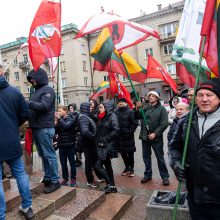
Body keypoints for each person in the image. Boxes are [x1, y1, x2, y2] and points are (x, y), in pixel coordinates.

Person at [170, 79, 220, 219]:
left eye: (209, 95)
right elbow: (174, 147)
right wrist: (176, 164)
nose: (204, 99)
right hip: (195, 196)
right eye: (200, 95)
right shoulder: (186, 121)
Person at [0, 74, 34, 219]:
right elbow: (26, 113)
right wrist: (13, 124)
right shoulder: (14, 92)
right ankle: (27, 207)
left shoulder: (13, 91)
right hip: (11, 139)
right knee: (20, 173)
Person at [27, 68, 60, 194]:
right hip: (36, 128)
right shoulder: (36, 91)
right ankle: (47, 178)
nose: (32, 81)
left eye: (33, 78)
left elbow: (44, 107)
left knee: (49, 155)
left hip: (44, 128)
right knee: (43, 155)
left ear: (40, 77)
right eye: (31, 80)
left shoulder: (48, 90)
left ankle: (55, 180)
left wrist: (28, 103)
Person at [134, 91, 170, 185]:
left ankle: (165, 177)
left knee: (160, 158)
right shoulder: (145, 107)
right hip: (145, 137)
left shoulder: (161, 109)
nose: (150, 97)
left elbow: (164, 123)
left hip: (156, 138)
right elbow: (137, 116)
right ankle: (147, 175)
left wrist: (155, 133)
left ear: (157, 98)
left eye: (153, 96)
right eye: (149, 96)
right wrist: (137, 109)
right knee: (146, 158)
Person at [95, 100, 120, 193]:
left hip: (108, 145)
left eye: (101, 107)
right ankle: (112, 186)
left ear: (106, 108)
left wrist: (106, 138)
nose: (99, 109)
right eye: (99, 107)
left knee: (98, 165)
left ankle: (110, 184)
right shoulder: (101, 116)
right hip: (101, 145)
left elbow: (116, 129)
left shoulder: (112, 116)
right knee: (107, 166)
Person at [115, 98, 138, 177]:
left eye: (122, 102)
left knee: (130, 153)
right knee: (123, 153)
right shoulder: (116, 111)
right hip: (120, 137)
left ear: (125, 103)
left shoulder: (130, 111)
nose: (120, 103)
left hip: (128, 136)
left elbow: (134, 123)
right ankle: (127, 167)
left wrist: (129, 131)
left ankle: (131, 168)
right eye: (119, 102)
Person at [78, 102, 100, 188]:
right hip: (87, 143)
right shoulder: (83, 117)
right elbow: (85, 131)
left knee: (92, 161)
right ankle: (90, 181)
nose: (92, 108)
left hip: (89, 143)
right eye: (90, 107)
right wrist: (93, 137)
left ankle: (97, 177)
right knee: (89, 162)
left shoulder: (86, 116)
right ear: (86, 108)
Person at [55, 106, 77, 187]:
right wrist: (56, 123)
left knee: (72, 163)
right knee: (63, 163)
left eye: (60, 110)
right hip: (61, 145)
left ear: (65, 111)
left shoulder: (71, 118)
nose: (58, 112)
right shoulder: (59, 120)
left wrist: (59, 119)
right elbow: (56, 131)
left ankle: (73, 179)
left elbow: (67, 126)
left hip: (70, 144)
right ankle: (65, 178)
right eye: (58, 111)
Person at [167, 102, 189, 166]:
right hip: (175, 154)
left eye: (181, 109)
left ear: (187, 110)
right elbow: (169, 135)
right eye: (177, 109)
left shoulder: (189, 122)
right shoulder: (175, 121)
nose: (179, 111)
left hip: (185, 155)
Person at [68, 103, 82, 167]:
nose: (71, 109)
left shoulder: (78, 114)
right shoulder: (68, 115)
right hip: (71, 133)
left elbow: (79, 123)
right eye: (70, 108)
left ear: (74, 108)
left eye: (72, 108)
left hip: (77, 132)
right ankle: (77, 160)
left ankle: (78, 160)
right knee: (74, 147)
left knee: (77, 147)